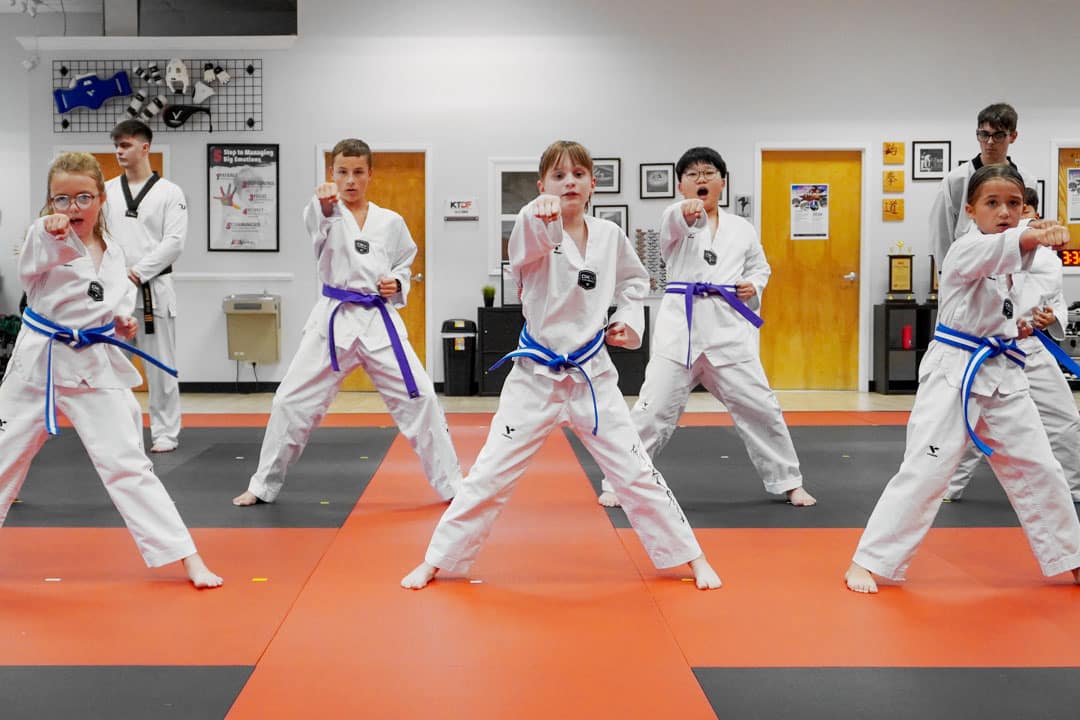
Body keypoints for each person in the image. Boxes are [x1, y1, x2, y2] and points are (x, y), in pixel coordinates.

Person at [401, 140, 721, 591]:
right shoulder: (532, 226)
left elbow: (636, 281)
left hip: (593, 375)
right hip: (536, 376)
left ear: (592, 184)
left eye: (577, 175)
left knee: (634, 470)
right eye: (558, 176)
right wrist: (539, 214)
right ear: (541, 186)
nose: (568, 182)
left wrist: (627, 320)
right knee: (491, 472)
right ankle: (437, 560)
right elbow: (524, 254)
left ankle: (691, 557)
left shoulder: (610, 236)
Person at [845, 165, 1080, 594]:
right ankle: (870, 560)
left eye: (1013, 204)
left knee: (1041, 466)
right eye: (992, 203)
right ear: (971, 210)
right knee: (928, 467)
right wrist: (1031, 235)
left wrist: (1028, 322)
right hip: (954, 373)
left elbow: (1013, 304)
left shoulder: (1021, 261)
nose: (1004, 212)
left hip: (1004, 373)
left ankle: (1072, 557)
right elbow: (1002, 251)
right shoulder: (964, 250)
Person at [0, 152, 221, 589]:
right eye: (61, 199)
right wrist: (48, 229)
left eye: (83, 197)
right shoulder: (42, 236)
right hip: (36, 371)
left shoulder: (116, 253)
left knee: (128, 466)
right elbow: (32, 265)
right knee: (3, 460)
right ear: (49, 202)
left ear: (101, 199)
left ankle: (186, 556)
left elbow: (112, 301)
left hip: (92, 369)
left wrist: (122, 320)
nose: (72, 208)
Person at [233, 138, 461, 506]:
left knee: (424, 398)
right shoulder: (322, 210)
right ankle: (262, 485)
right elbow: (317, 226)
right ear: (332, 174)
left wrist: (397, 283)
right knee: (289, 402)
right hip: (332, 322)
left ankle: (454, 488)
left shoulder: (391, 221)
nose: (350, 180)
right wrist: (325, 205)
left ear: (370, 174)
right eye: (342, 172)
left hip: (378, 321)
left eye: (357, 172)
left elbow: (406, 261)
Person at [597, 147, 815, 509]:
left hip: (728, 332)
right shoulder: (675, 220)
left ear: (723, 182)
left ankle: (789, 481)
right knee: (652, 410)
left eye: (709, 173)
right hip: (680, 331)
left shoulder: (741, 228)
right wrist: (684, 213)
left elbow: (760, 268)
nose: (702, 179)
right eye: (693, 174)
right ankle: (620, 481)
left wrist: (753, 287)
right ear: (681, 185)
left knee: (761, 407)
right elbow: (672, 222)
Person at [945, 188, 1080, 502]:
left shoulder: (1046, 258)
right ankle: (949, 487)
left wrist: (1052, 317)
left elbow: (1054, 299)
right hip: (988, 351)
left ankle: (1071, 488)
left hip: (1031, 348)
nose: (1018, 217)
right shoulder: (982, 247)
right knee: (971, 423)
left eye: (1023, 209)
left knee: (1064, 419)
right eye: (996, 204)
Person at [104, 119, 187, 453]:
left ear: (145, 147)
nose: (120, 152)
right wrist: (112, 275)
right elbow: (101, 237)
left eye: (125, 145)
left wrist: (136, 272)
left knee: (160, 365)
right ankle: (117, 431)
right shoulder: (108, 190)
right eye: (117, 146)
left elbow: (175, 242)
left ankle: (165, 432)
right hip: (115, 290)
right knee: (113, 365)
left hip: (154, 288)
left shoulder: (170, 192)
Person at [930, 102, 1036, 268]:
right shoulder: (955, 180)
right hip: (968, 267)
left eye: (999, 135)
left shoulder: (1027, 181)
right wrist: (946, 278)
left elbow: (1028, 228)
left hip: (1010, 268)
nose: (990, 142)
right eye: (984, 134)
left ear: (1013, 136)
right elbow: (941, 236)